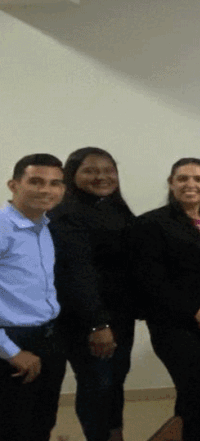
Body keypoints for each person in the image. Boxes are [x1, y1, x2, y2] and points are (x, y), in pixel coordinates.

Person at [129, 158, 200, 441]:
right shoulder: (152, 223)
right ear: (171, 183)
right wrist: (194, 310)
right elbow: (150, 279)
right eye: (182, 179)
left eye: (198, 179)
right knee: (196, 391)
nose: (190, 185)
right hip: (177, 322)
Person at [49, 148, 136, 441]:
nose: (101, 177)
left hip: (119, 316)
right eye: (90, 170)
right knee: (97, 383)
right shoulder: (66, 214)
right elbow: (77, 273)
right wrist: (98, 324)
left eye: (108, 170)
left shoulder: (115, 208)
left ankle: (115, 434)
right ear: (71, 174)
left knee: (114, 381)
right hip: (88, 319)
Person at [0, 153, 66, 441]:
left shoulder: (45, 227)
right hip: (11, 342)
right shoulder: (3, 227)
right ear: (13, 185)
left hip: (48, 337)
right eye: (36, 181)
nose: (46, 190)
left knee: (42, 422)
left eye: (55, 183)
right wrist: (11, 351)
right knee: (12, 428)